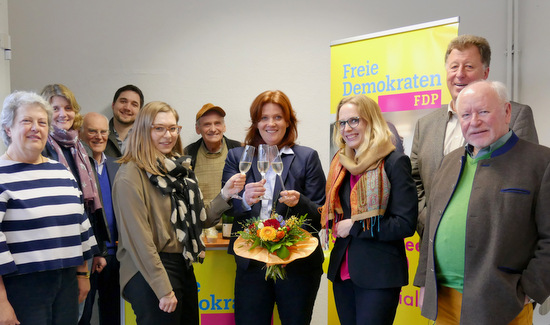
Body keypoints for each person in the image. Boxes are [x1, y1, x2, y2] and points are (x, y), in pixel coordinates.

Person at [414, 80, 550, 324]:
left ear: (507, 112)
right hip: (442, 300)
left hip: (502, 303)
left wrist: (531, 289)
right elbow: (433, 226)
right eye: (465, 114)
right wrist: (424, 282)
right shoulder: (449, 161)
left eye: (484, 112)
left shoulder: (540, 162)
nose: (473, 121)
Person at [112, 101, 245, 325]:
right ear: (144, 130)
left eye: (173, 128)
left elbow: (198, 219)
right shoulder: (130, 175)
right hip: (149, 271)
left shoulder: (177, 169)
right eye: (159, 128)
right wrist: (163, 289)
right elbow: (139, 241)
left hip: (181, 263)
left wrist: (225, 194)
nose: (168, 135)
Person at [410, 34, 539, 237]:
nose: (459, 74)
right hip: (437, 240)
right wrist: (427, 220)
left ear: (486, 72)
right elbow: (414, 181)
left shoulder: (514, 115)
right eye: (454, 67)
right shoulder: (425, 125)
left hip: (495, 243)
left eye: (469, 67)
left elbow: (528, 179)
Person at [222, 90, 326, 325]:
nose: (271, 123)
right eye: (264, 117)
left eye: (278, 117)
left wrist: (301, 202)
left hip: (297, 265)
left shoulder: (307, 157)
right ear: (256, 122)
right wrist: (246, 200)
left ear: (288, 121)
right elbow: (227, 207)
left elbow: (320, 215)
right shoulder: (237, 156)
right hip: (251, 264)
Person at [0, 91, 98, 324]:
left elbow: (79, 226)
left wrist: (82, 274)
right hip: (21, 286)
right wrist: (2, 303)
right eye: (26, 121)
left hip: (66, 282)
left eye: (42, 122)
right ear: (8, 129)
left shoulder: (61, 172)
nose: (36, 128)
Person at [321, 95, 417, 325]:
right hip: (343, 272)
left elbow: (405, 224)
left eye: (354, 120)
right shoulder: (342, 165)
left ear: (371, 121)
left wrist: (355, 227)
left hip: (379, 275)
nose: (347, 128)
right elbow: (331, 210)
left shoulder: (394, 162)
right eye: (342, 123)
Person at [78, 112, 121, 325]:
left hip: (116, 254)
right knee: (83, 315)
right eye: (92, 131)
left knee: (113, 313)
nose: (98, 136)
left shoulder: (118, 165)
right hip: (87, 256)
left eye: (103, 131)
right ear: (81, 133)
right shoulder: (76, 166)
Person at [184, 103, 241, 205]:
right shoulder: (187, 154)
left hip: (231, 219)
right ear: (198, 129)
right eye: (207, 124)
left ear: (224, 127)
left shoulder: (239, 150)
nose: (213, 129)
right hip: (199, 219)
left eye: (217, 123)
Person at [105, 84, 144, 157]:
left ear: (140, 111)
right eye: (123, 101)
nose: (127, 108)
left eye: (134, 104)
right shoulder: (99, 135)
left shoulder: (147, 138)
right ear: (113, 105)